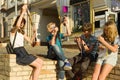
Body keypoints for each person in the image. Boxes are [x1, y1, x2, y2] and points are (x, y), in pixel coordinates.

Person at [10, 5, 43, 80]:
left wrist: (34, 33)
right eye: (21, 22)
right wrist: (23, 13)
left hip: (24, 52)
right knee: (38, 66)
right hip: (18, 53)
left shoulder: (22, 33)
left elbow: (31, 42)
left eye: (23, 23)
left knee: (40, 62)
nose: (22, 24)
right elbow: (17, 25)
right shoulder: (13, 30)